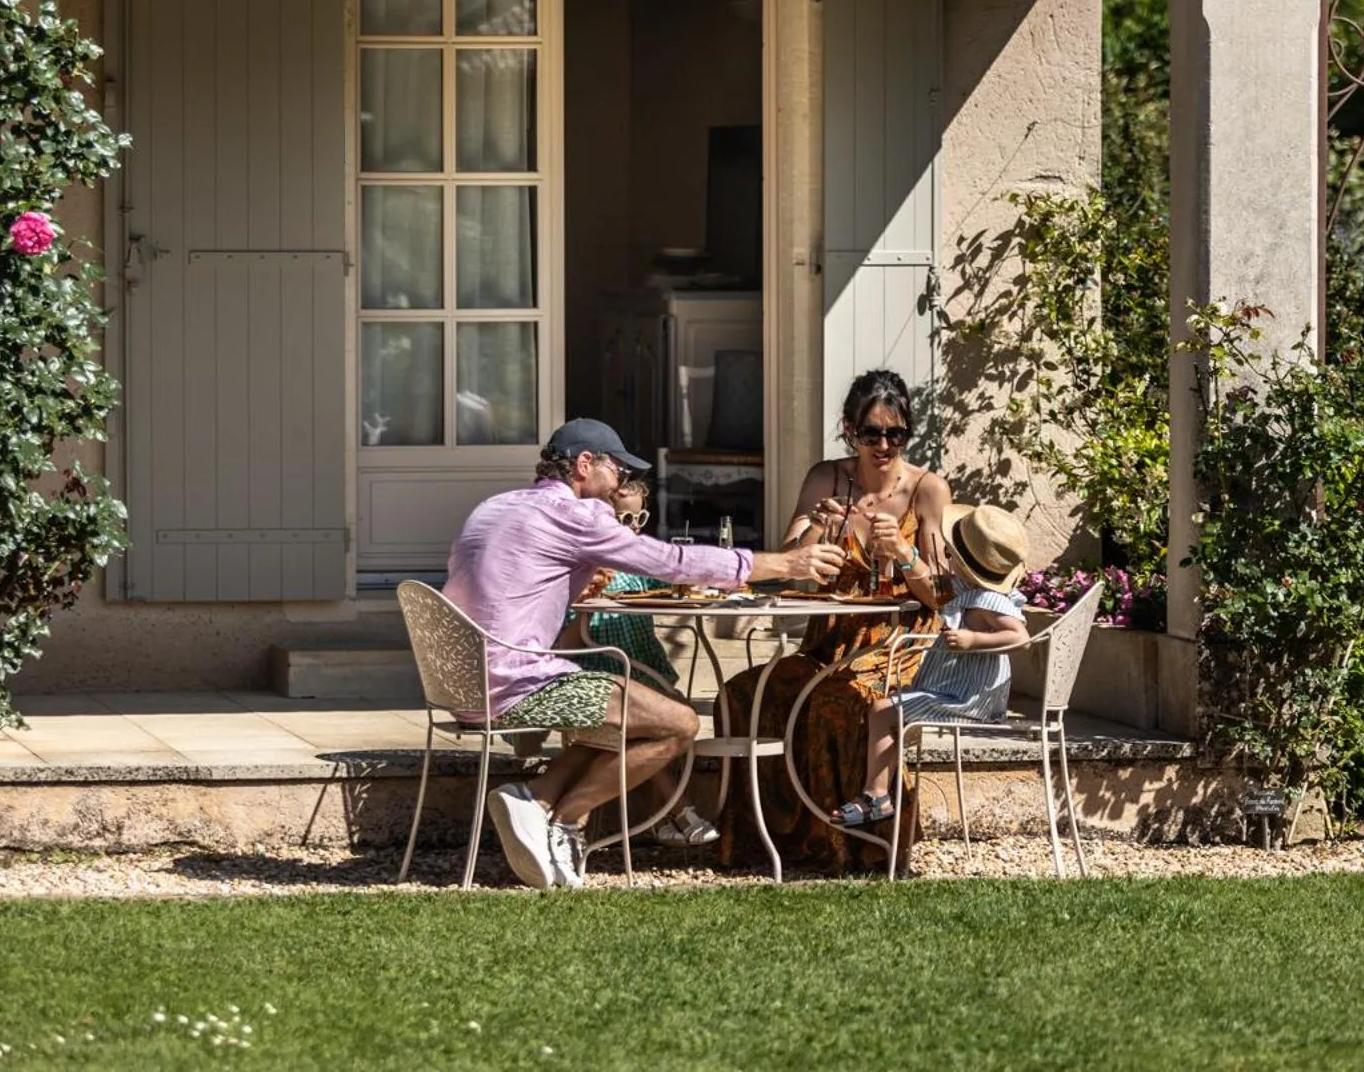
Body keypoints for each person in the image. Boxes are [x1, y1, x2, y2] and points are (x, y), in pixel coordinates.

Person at [442, 418, 843, 890]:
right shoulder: (576, 515)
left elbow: (511, 587)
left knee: (628, 712)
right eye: (615, 470)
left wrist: (574, 580)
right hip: (516, 684)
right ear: (584, 464)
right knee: (678, 723)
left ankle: (540, 798)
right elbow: (669, 563)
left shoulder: (494, 507)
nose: (617, 487)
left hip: (461, 683)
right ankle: (566, 821)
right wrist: (779, 563)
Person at [715, 369, 952, 874]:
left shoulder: (928, 490)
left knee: (834, 701)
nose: (884, 445)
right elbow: (788, 569)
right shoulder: (827, 478)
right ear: (850, 430)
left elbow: (940, 593)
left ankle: (855, 847)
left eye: (896, 433)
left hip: (899, 645)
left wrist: (905, 554)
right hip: (829, 642)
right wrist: (819, 527)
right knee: (743, 695)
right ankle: (764, 840)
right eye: (872, 433)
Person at [836, 504, 1031, 827]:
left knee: (882, 711)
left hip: (967, 701)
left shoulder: (988, 600)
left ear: (965, 564)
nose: (947, 557)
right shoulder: (968, 590)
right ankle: (880, 786)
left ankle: (877, 794)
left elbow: (1021, 638)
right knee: (885, 705)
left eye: (951, 554)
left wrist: (973, 640)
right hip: (954, 691)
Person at [567, 478, 720, 849]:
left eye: (640, 518)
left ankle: (661, 817)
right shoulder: (587, 566)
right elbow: (569, 632)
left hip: (642, 662)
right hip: (601, 665)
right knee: (647, 724)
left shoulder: (636, 564)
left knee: (675, 712)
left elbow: (667, 581)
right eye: (623, 519)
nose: (633, 527)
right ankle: (680, 810)